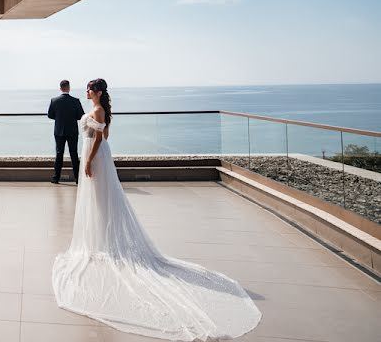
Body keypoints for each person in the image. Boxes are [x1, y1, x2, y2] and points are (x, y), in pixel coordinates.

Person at [52, 79, 261, 341]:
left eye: (90, 89)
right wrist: (92, 151)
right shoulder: (97, 110)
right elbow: (104, 136)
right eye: (87, 89)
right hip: (96, 153)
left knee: (102, 198)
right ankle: (101, 240)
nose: (87, 92)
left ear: (99, 92)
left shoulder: (98, 111)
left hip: (95, 155)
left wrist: (90, 161)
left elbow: (97, 141)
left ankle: (103, 241)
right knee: (99, 199)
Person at [47, 79, 83, 184]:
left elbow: (50, 115)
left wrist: (59, 118)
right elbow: (80, 115)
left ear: (60, 88)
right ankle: (77, 178)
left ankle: (56, 177)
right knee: (74, 154)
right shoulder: (75, 101)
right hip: (72, 131)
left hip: (59, 131)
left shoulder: (54, 100)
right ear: (69, 87)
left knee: (59, 154)